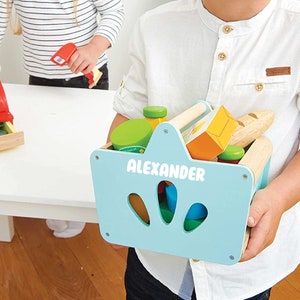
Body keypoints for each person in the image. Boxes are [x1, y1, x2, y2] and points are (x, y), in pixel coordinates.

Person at [107, 0, 300, 299]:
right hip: (157, 254)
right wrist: (119, 199)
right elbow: (129, 118)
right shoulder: (153, 25)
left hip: (243, 265)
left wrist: (277, 198)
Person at [0, 0, 125, 238]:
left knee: (81, 145)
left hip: (86, 77)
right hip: (40, 78)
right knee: (48, 142)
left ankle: (80, 203)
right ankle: (59, 198)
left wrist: (93, 48)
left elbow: (114, 10)